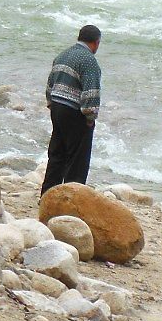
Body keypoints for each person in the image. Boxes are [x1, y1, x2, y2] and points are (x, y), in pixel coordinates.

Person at [40, 25, 102, 195]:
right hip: (74, 112)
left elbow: (49, 85)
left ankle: (47, 195)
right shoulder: (89, 61)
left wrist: (51, 105)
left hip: (57, 107)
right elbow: (91, 93)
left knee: (57, 156)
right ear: (96, 43)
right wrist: (90, 118)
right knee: (77, 161)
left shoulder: (62, 55)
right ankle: (71, 199)